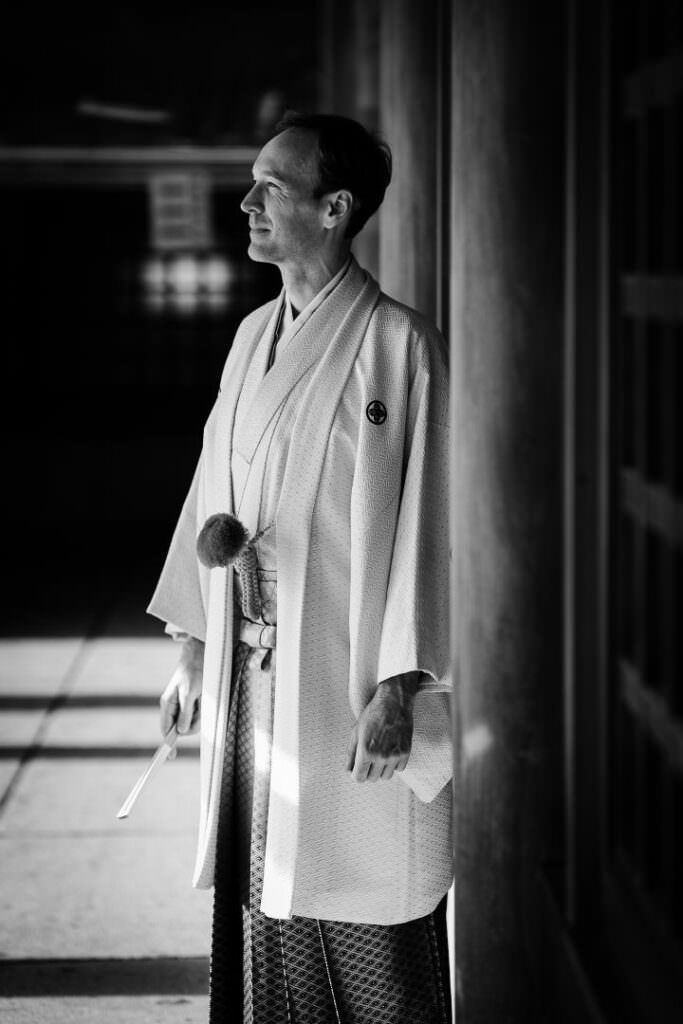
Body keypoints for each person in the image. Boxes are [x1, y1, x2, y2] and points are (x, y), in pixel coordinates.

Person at [149, 112, 453, 1023]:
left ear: (334, 208)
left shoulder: (398, 345)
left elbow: (428, 525)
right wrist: (195, 646)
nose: (247, 202)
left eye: (271, 187)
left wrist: (398, 688)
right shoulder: (251, 338)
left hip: (349, 669)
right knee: (266, 881)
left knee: (364, 886)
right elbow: (215, 493)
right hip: (255, 670)